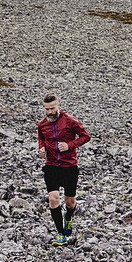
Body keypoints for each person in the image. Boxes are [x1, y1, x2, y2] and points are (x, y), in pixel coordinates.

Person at [37, 91, 91, 246]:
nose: (49, 112)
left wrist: (69, 145)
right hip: (51, 166)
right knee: (53, 199)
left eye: (52, 108)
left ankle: (68, 218)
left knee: (70, 203)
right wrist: (42, 149)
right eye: (47, 109)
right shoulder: (42, 124)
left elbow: (85, 136)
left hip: (69, 167)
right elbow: (41, 138)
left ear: (58, 105)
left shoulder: (70, 121)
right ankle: (61, 234)